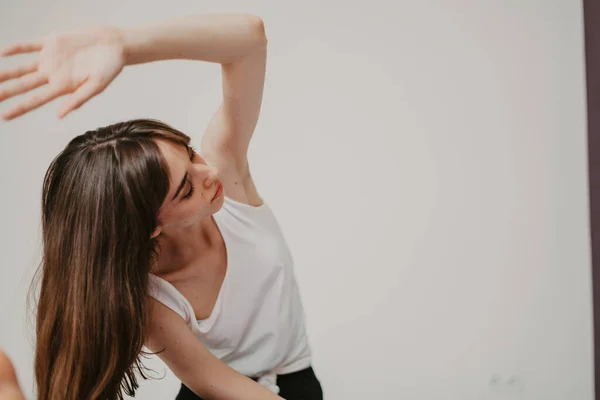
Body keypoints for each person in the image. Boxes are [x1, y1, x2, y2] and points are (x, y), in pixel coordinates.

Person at [0, 13, 323, 400]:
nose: (209, 172)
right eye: (186, 190)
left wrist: (125, 43)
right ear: (151, 226)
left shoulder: (226, 172)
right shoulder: (149, 293)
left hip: (296, 380)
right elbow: (213, 382)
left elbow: (250, 40)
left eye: (190, 153)